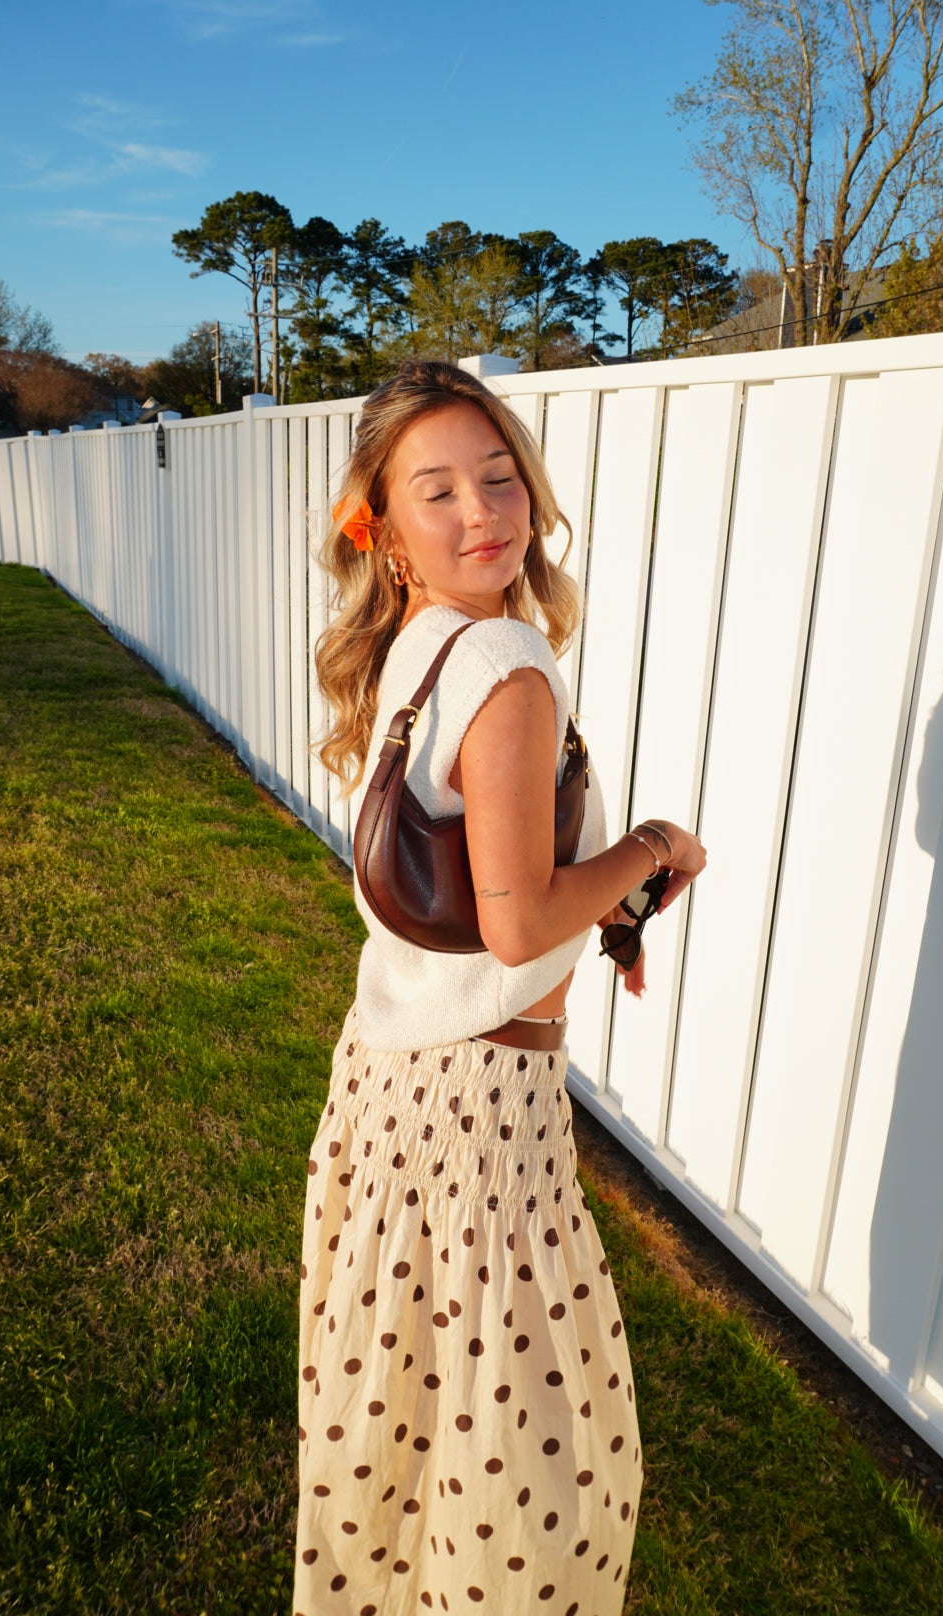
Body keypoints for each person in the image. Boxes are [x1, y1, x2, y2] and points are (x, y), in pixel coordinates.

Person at [295, 357, 706, 1615]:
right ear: (386, 526)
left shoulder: (415, 647)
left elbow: (487, 877)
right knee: (533, 1452)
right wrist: (654, 848)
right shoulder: (509, 663)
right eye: (438, 490)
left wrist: (607, 910)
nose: (483, 511)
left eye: (499, 476)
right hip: (482, 1110)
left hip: (389, 1078)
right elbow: (518, 915)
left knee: (400, 1406)